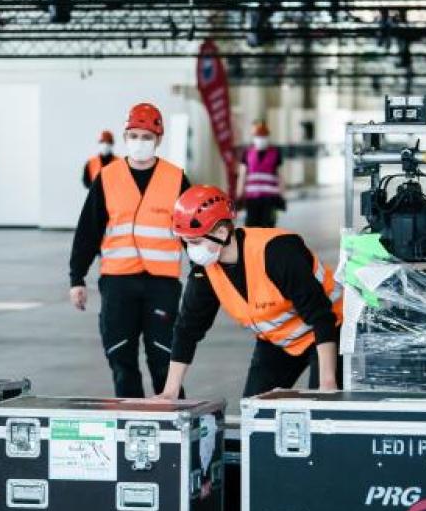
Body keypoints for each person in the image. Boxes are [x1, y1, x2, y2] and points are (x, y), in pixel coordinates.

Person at [156, 185, 342, 400]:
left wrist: (328, 382)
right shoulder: (205, 272)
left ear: (222, 233)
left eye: (195, 241)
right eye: (185, 242)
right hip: (279, 341)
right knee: (253, 410)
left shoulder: (277, 252)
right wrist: (170, 391)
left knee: (322, 409)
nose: (191, 250)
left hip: (331, 331)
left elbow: (321, 317)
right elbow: (187, 330)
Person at [69, 103, 190, 397]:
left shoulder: (176, 179)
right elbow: (88, 231)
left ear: (158, 139)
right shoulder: (107, 177)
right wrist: (77, 278)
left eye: (146, 137)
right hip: (118, 283)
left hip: (162, 285)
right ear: (125, 137)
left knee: (164, 362)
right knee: (122, 362)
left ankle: (174, 420)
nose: (140, 142)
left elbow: (193, 231)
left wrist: (208, 273)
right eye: (134, 136)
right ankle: (131, 420)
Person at [236, 120, 285, 228]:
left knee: (268, 227)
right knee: (251, 227)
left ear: (268, 136)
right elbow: (242, 175)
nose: (261, 138)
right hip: (252, 198)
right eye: (258, 135)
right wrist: (239, 196)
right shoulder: (247, 153)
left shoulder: (275, 153)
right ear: (254, 137)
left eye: (263, 135)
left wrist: (281, 196)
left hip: (270, 198)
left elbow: (280, 176)